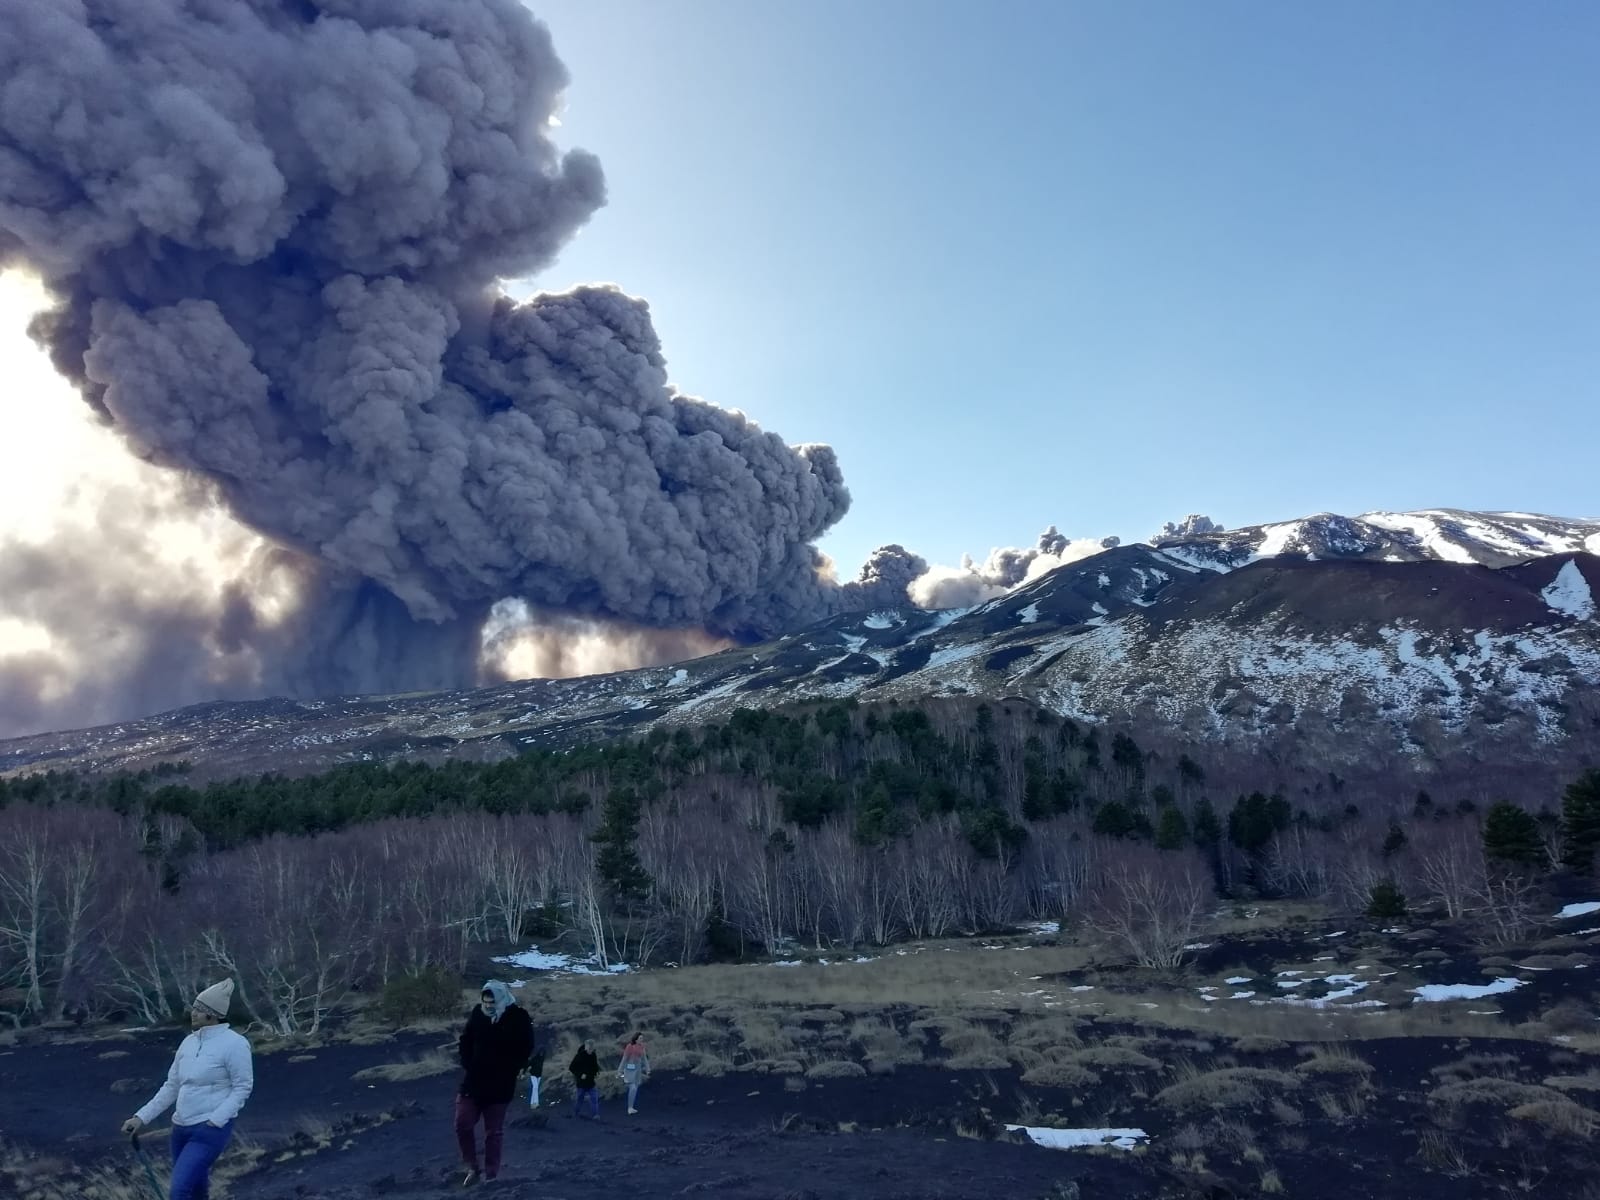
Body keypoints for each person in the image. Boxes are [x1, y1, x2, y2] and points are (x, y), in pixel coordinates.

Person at [120, 979, 253, 1200]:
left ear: (213, 1014)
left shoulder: (235, 1044)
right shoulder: (188, 1043)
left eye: (199, 1009)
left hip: (209, 1130)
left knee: (179, 1191)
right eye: (194, 1007)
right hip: (180, 1128)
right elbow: (171, 1086)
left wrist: (216, 1119)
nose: (193, 1012)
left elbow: (242, 1088)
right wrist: (140, 1118)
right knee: (197, 1191)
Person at [455, 980, 533, 1187]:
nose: (488, 1006)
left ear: (501, 998)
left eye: (492, 1002)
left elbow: (526, 1047)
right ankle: (472, 1167)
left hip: (501, 1084)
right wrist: (468, 1062)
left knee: (494, 1133)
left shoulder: (518, 1017)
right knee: (462, 1123)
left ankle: (491, 1174)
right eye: (485, 1002)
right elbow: (466, 1039)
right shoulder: (478, 1013)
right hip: (474, 1081)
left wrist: (511, 1068)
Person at [617, 1031, 650, 1115]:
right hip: (630, 1068)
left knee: (635, 1088)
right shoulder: (630, 1046)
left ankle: (631, 1106)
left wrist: (647, 1068)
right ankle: (630, 1108)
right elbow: (624, 1059)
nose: (642, 1040)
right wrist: (619, 1070)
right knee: (633, 1088)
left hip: (638, 1069)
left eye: (642, 1038)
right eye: (640, 1038)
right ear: (636, 1039)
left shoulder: (642, 1046)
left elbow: (644, 1058)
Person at [568, 1038, 600, 1119]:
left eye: (592, 1048)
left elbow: (594, 1065)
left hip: (591, 1082)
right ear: (586, 1047)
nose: (591, 1049)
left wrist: (597, 1071)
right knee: (580, 1099)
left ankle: (595, 1115)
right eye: (589, 1047)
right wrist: (580, 1074)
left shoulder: (593, 1055)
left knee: (594, 1098)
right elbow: (571, 1067)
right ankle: (576, 1113)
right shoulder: (579, 1056)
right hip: (581, 1083)